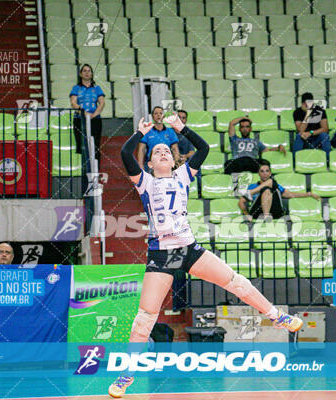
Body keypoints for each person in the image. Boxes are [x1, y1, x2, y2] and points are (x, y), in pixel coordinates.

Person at [110, 114, 303, 398]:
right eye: (156, 151)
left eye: (166, 149)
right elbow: (126, 153)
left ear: (173, 159)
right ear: (150, 163)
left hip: (189, 249)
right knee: (145, 317)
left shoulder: (183, 175)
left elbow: (203, 149)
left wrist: (180, 128)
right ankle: (127, 374)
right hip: (161, 255)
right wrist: (140, 134)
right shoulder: (145, 182)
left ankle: (276, 316)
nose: (162, 151)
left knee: (235, 282)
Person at [238, 160, 320, 220]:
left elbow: (290, 195)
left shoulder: (274, 184)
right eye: (262, 171)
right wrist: (247, 215)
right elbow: (241, 202)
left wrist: (308, 194)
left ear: (270, 173)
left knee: (271, 184)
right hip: (258, 213)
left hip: (275, 212)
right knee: (267, 188)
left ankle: (267, 217)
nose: (265, 173)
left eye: (267, 171)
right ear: (258, 174)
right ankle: (266, 217)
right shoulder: (252, 186)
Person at [69, 64, 105, 166]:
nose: (87, 73)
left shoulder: (97, 88)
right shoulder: (76, 88)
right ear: (80, 74)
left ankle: (96, 172)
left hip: (95, 119)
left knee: (95, 145)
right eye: (84, 71)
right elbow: (73, 103)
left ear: (92, 74)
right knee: (81, 145)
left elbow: (102, 103)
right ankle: (83, 169)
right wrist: (84, 113)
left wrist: (93, 115)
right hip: (80, 119)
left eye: (89, 71)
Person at [137, 106, 181, 171]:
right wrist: (140, 166)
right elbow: (141, 150)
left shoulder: (170, 131)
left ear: (164, 116)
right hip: (151, 164)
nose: (158, 115)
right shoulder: (147, 131)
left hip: (167, 164)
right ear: (152, 116)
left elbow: (175, 149)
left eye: (161, 113)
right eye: (156, 113)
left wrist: (177, 165)